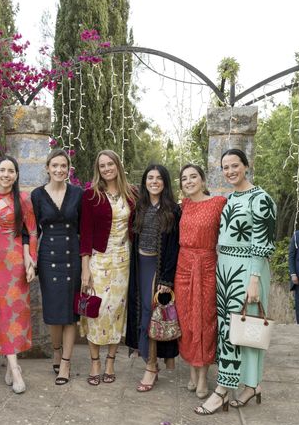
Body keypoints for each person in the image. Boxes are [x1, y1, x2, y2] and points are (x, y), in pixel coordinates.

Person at [195, 148, 276, 415]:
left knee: (239, 328)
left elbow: (262, 244)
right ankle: (252, 384)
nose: (230, 171)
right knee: (235, 329)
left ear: (246, 165)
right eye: (225, 167)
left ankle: (222, 390)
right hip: (225, 267)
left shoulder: (261, 199)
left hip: (248, 269)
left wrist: (254, 280)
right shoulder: (230, 199)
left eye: (234, 166)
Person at [0, 156, 37, 394]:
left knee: (14, 313)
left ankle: (13, 367)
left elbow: (32, 232)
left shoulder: (23, 199)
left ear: (15, 175)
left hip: (14, 263)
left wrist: (30, 260)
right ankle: (13, 366)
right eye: (2, 170)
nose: (6, 174)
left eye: (10, 171)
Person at [80, 149, 136, 385]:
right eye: (102, 165)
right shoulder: (91, 195)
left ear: (117, 165)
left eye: (110, 164)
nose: (106, 169)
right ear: (98, 169)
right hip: (99, 259)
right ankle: (95, 361)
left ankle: (111, 361)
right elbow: (85, 233)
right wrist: (85, 268)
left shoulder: (131, 193)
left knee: (116, 311)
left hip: (123, 260)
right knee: (97, 310)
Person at [174, 164, 226, 399]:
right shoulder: (183, 206)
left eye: (193, 177)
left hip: (206, 265)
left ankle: (204, 375)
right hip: (183, 266)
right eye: (184, 178)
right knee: (186, 319)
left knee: (205, 319)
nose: (189, 181)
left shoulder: (218, 204)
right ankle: (192, 370)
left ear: (203, 181)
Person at [31, 149, 83, 385]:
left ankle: (66, 362)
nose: (59, 170)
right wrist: (30, 259)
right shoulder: (37, 195)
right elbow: (32, 231)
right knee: (53, 314)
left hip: (72, 256)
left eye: (64, 166)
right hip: (48, 258)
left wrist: (87, 263)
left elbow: (84, 229)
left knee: (70, 313)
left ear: (69, 168)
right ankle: (55, 349)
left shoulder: (78, 194)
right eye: (55, 166)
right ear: (47, 168)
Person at [127, 164, 180, 392]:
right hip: (140, 266)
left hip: (159, 269)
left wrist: (166, 280)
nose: (154, 181)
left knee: (152, 313)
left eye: (159, 178)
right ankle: (149, 362)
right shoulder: (140, 207)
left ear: (165, 182)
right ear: (145, 181)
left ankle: (151, 367)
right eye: (150, 177)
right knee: (140, 313)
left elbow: (174, 248)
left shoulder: (173, 210)